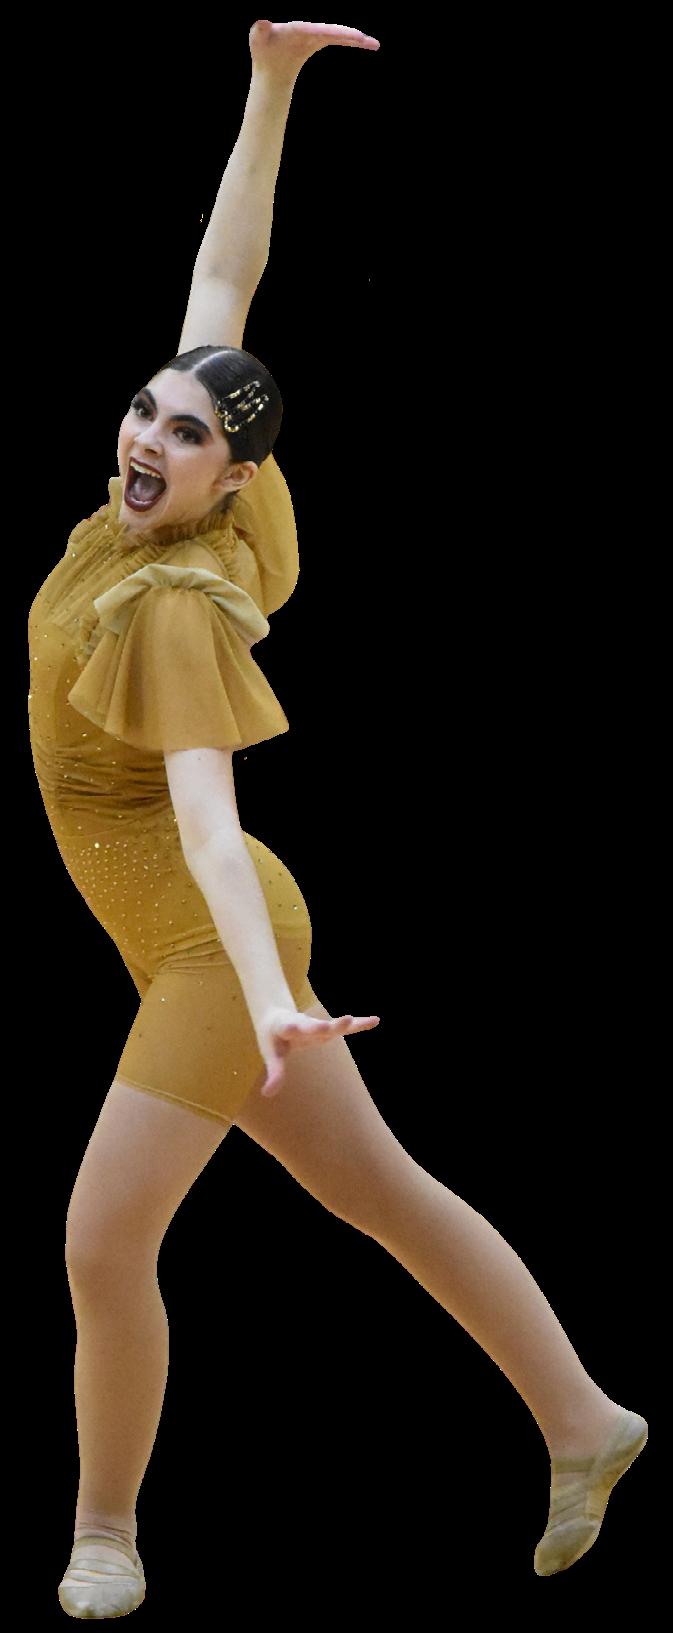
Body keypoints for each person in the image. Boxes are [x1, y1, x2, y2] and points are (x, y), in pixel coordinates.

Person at [30, 22, 646, 1619]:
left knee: (101, 1241)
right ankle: (583, 1419)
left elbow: (208, 823)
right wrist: (271, 84)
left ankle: (106, 1532)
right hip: (196, 935)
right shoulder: (182, 493)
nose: (147, 434)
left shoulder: (171, 602)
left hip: (209, 943)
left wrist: (267, 994)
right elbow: (221, 281)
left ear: (231, 481)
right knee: (381, 1190)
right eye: (146, 409)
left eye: (183, 433)